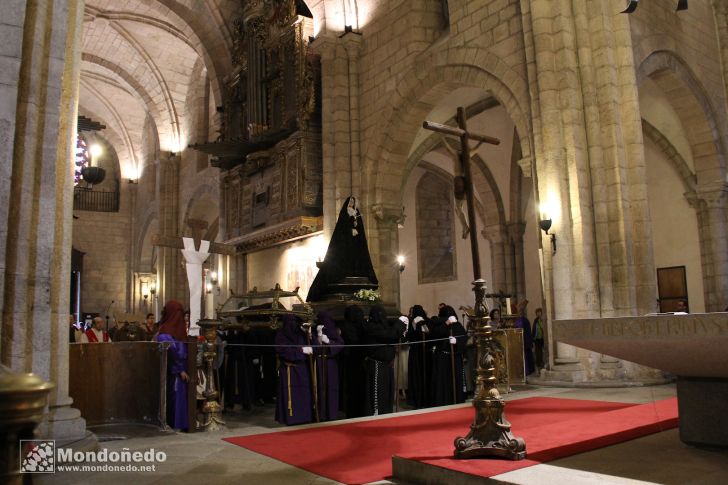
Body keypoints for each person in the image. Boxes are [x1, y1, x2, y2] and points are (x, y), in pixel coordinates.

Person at [307, 196, 378, 301]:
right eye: (350, 201)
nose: (352, 203)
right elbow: (342, 227)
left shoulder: (356, 212)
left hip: (355, 240)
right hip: (345, 242)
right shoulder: (345, 212)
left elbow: (360, 227)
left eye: (353, 201)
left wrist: (356, 226)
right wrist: (350, 230)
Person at [361, 305, 406, 416]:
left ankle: (386, 412)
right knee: (379, 392)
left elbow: (394, 336)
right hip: (377, 364)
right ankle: (377, 413)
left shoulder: (383, 326)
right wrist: (399, 323)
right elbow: (389, 335)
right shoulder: (372, 327)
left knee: (387, 391)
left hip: (386, 365)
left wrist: (403, 330)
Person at [155, 300, 190, 431]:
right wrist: (180, 370)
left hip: (183, 369)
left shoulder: (178, 330)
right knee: (176, 398)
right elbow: (171, 353)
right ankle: (176, 424)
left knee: (182, 398)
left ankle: (184, 423)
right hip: (174, 372)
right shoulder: (165, 331)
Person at [275, 314, 314, 425]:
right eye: (289, 322)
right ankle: (291, 418)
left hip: (302, 369)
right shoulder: (281, 335)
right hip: (288, 369)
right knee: (291, 396)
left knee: (303, 394)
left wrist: (309, 333)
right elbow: (283, 351)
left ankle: (305, 416)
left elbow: (311, 345)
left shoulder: (301, 334)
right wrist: (301, 351)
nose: (292, 325)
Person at [429, 305, 467, 406]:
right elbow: (434, 335)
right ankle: (443, 400)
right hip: (443, 357)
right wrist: (446, 323)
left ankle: (457, 399)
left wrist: (457, 342)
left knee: (456, 381)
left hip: (455, 357)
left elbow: (464, 339)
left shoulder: (457, 325)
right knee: (443, 381)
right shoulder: (438, 324)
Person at [314, 310, 344, 421]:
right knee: (320, 388)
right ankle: (320, 413)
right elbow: (312, 345)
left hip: (331, 363)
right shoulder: (315, 330)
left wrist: (329, 342)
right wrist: (318, 336)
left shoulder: (333, 331)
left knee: (331, 388)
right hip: (319, 362)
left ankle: (331, 413)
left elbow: (340, 344)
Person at [340, 305, 367, 418]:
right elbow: (355, 341)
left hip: (358, 359)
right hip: (351, 360)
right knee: (352, 388)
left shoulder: (357, 325)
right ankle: (352, 411)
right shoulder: (348, 327)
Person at [406, 305, 430, 408]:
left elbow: (428, 332)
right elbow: (410, 335)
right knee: (416, 375)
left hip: (424, 351)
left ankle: (426, 398)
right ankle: (416, 399)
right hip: (416, 352)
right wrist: (415, 324)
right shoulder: (412, 322)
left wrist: (422, 323)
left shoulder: (425, 321)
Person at [515, 300, 535, 375]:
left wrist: (528, 342)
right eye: (519, 310)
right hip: (517, 341)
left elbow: (528, 332)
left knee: (526, 356)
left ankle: (527, 371)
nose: (520, 312)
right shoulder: (515, 320)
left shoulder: (525, 320)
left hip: (525, 342)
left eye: (521, 311)